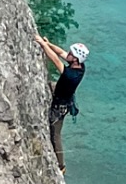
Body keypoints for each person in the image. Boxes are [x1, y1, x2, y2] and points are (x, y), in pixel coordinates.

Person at [37, 33, 88, 171]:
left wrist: (42, 44)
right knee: (51, 85)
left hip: (60, 105)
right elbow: (60, 53)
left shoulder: (71, 75)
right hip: (63, 94)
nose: (68, 53)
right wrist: (48, 44)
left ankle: (61, 165)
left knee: (55, 135)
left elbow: (55, 59)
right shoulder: (80, 66)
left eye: (71, 53)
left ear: (76, 59)